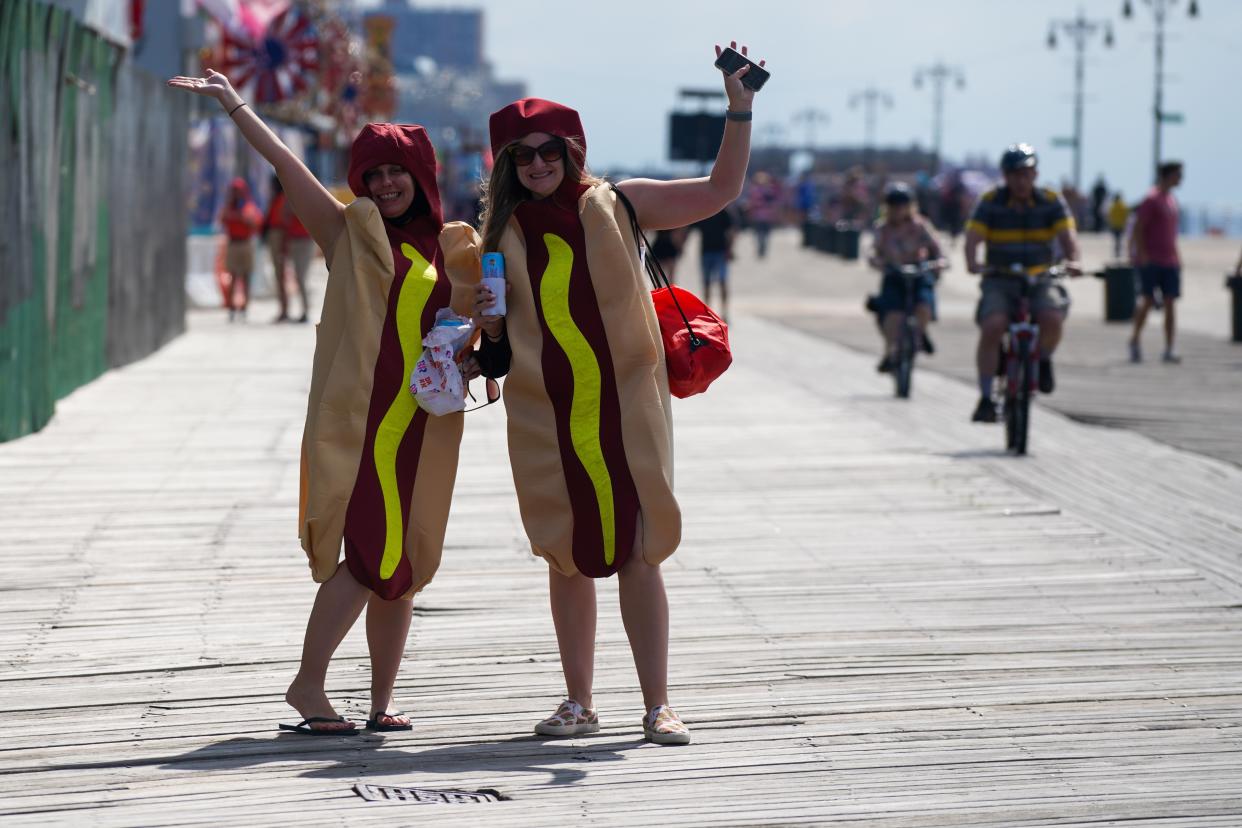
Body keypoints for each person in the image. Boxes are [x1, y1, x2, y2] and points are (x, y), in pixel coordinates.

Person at [444, 41, 764, 746]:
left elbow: (719, 191)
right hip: (546, 413)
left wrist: (737, 108)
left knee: (640, 549)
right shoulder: (495, 237)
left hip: (626, 407)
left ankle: (658, 705)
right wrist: (475, 347)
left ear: (572, 150)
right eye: (522, 156)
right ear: (504, 165)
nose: (537, 166)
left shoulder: (618, 203)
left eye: (549, 151)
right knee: (566, 551)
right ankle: (578, 702)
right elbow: (494, 346)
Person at [168, 69, 483, 734]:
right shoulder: (349, 233)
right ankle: (308, 686)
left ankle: (381, 701)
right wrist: (234, 104)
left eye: (398, 172)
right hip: (367, 428)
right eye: (373, 174)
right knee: (371, 558)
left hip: (424, 430)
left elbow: (460, 337)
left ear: (420, 175)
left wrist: (482, 334)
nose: (385, 185)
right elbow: (286, 163)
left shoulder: (452, 247)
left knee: (404, 566)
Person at [963, 144, 1082, 423]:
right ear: (1004, 176)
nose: (1020, 180)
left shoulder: (1050, 200)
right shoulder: (991, 201)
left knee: (1052, 316)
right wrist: (973, 262)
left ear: (1036, 174)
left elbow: (1068, 236)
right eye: (1014, 174)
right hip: (1000, 277)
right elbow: (972, 237)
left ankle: (1043, 359)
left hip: (1041, 275)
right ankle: (985, 396)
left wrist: (1074, 260)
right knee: (992, 326)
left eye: (1026, 174)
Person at [868, 183, 945, 373]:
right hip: (894, 274)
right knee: (891, 314)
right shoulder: (883, 228)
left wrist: (939, 262)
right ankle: (892, 352)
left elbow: (937, 249)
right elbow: (873, 250)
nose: (898, 210)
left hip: (918, 272)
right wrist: (877, 261)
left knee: (924, 305)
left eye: (902, 205)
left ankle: (919, 335)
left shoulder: (920, 226)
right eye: (894, 205)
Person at [1128, 161, 1184, 364]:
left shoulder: (1172, 200)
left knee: (1170, 302)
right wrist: (1141, 254)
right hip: (1151, 259)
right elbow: (1138, 227)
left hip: (1170, 260)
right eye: (1178, 174)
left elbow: (1172, 234)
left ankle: (1169, 347)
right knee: (1147, 300)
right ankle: (1134, 339)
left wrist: (1178, 257)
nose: (1181, 178)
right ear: (1168, 175)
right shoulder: (1151, 198)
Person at [265, 175, 313, 323]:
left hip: (302, 240)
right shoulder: (281, 199)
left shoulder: (294, 198)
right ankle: (286, 309)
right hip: (292, 239)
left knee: (300, 277)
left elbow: (285, 218)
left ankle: (305, 310)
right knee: (284, 275)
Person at [220, 177, 262, 322]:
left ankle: (244, 308)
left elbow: (254, 223)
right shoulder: (228, 206)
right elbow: (222, 219)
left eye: (238, 191)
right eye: (234, 191)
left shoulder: (249, 205)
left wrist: (239, 217)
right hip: (233, 243)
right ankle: (231, 308)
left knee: (246, 278)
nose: (236, 194)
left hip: (245, 244)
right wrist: (236, 216)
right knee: (232, 277)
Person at [692, 206, 736, 319]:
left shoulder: (722, 211)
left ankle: (724, 311)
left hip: (719, 251)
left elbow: (731, 231)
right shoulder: (703, 211)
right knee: (709, 283)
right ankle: (709, 311)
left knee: (720, 282)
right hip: (707, 251)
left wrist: (730, 249)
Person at [745, 170, 781, 258]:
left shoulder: (761, 190)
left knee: (762, 234)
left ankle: (762, 248)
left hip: (764, 215)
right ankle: (762, 248)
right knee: (761, 234)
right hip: (761, 215)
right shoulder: (762, 190)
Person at [1107, 193, 1129, 259]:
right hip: (1121, 224)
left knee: (1116, 239)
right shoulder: (1123, 205)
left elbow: (1110, 215)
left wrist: (1110, 222)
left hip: (1114, 224)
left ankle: (1117, 251)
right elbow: (1126, 215)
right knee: (1120, 238)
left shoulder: (1113, 206)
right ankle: (1118, 251)